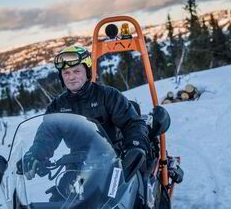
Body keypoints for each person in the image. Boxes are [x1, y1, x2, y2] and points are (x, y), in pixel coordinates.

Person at [22, 45, 150, 187]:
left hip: (115, 162)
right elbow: (46, 137)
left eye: (76, 71)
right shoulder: (57, 106)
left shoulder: (108, 96)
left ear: (87, 72)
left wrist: (135, 146)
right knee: (60, 198)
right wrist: (35, 154)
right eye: (66, 73)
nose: (71, 77)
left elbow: (132, 123)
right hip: (77, 167)